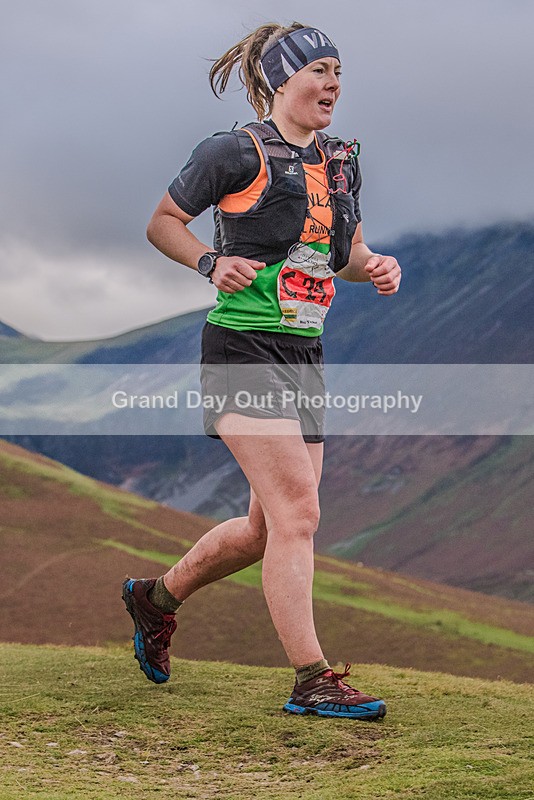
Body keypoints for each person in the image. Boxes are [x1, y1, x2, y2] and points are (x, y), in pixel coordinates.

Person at [122, 21, 401, 720]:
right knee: (300, 514)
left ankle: (154, 600)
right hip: (241, 349)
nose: (333, 83)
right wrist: (211, 263)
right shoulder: (231, 151)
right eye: (319, 70)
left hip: (304, 354)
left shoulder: (341, 160)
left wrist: (378, 267)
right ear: (282, 79)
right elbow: (162, 221)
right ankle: (311, 679)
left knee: (265, 529)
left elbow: (348, 254)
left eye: (339, 70)